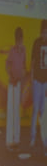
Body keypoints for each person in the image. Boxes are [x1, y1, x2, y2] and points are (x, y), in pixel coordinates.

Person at [4, 26, 27, 148]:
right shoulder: (12, 51)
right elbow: (7, 66)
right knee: (11, 112)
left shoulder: (24, 51)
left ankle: (16, 139)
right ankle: (9, 140)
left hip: (19, 83)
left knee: (17, 112)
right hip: (12, 83)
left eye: (20, 40)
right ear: (15, 40)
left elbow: (24, 66)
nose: (19, 42)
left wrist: (22, 76)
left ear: (22, 39)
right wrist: (11, 76)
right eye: (17, 40)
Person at [30, 20, 47, 148]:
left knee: (43, 111)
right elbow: (33, 61)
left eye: (46, 32)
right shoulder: (36, 42)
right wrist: (31, 79)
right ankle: (32, 137)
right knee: (35, 109)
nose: (44, 34)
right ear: (40, 32)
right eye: (43, 32)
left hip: (45, 82)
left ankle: (43, 138)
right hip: (37, 80)